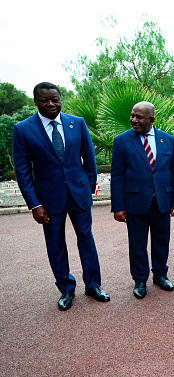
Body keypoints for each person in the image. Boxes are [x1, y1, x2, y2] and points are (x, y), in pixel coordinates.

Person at [12, 82, 110, 311]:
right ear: (35, 101)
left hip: (79, 195)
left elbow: (89, 159)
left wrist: (89, 187)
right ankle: (66, 289)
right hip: (47, 201)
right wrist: (34, 204)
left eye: (55, 99)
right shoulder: (23, 129)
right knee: (55, 245)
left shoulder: (77, 123)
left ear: (60, 99)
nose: (51, 104)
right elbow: (23, 171)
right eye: (45, 100)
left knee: (87, 240)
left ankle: (93, 285)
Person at [111, 102, 174, 299]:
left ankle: (160, 275)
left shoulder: (168, 141)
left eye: (139, 117)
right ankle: (140, 280)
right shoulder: (121, 141)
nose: (133, 120)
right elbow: (117, 176)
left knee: (162, 240)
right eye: (132, 115)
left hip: (162, 201)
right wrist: (118, 206)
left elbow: (173, 173)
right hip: (134, 202)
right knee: (137, 244)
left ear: (152, 119)